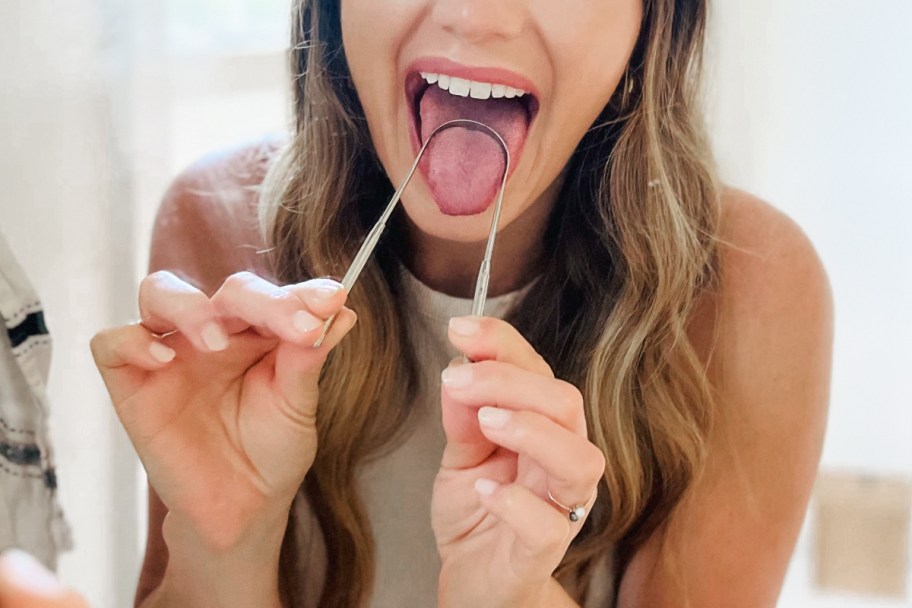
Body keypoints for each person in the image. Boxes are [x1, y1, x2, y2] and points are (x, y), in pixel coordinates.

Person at [90, 1, 833, 607]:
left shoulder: (748, 286)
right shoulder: (220, 227)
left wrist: (514, 599)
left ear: (656, 19)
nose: (477, 17)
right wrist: (225, 545)